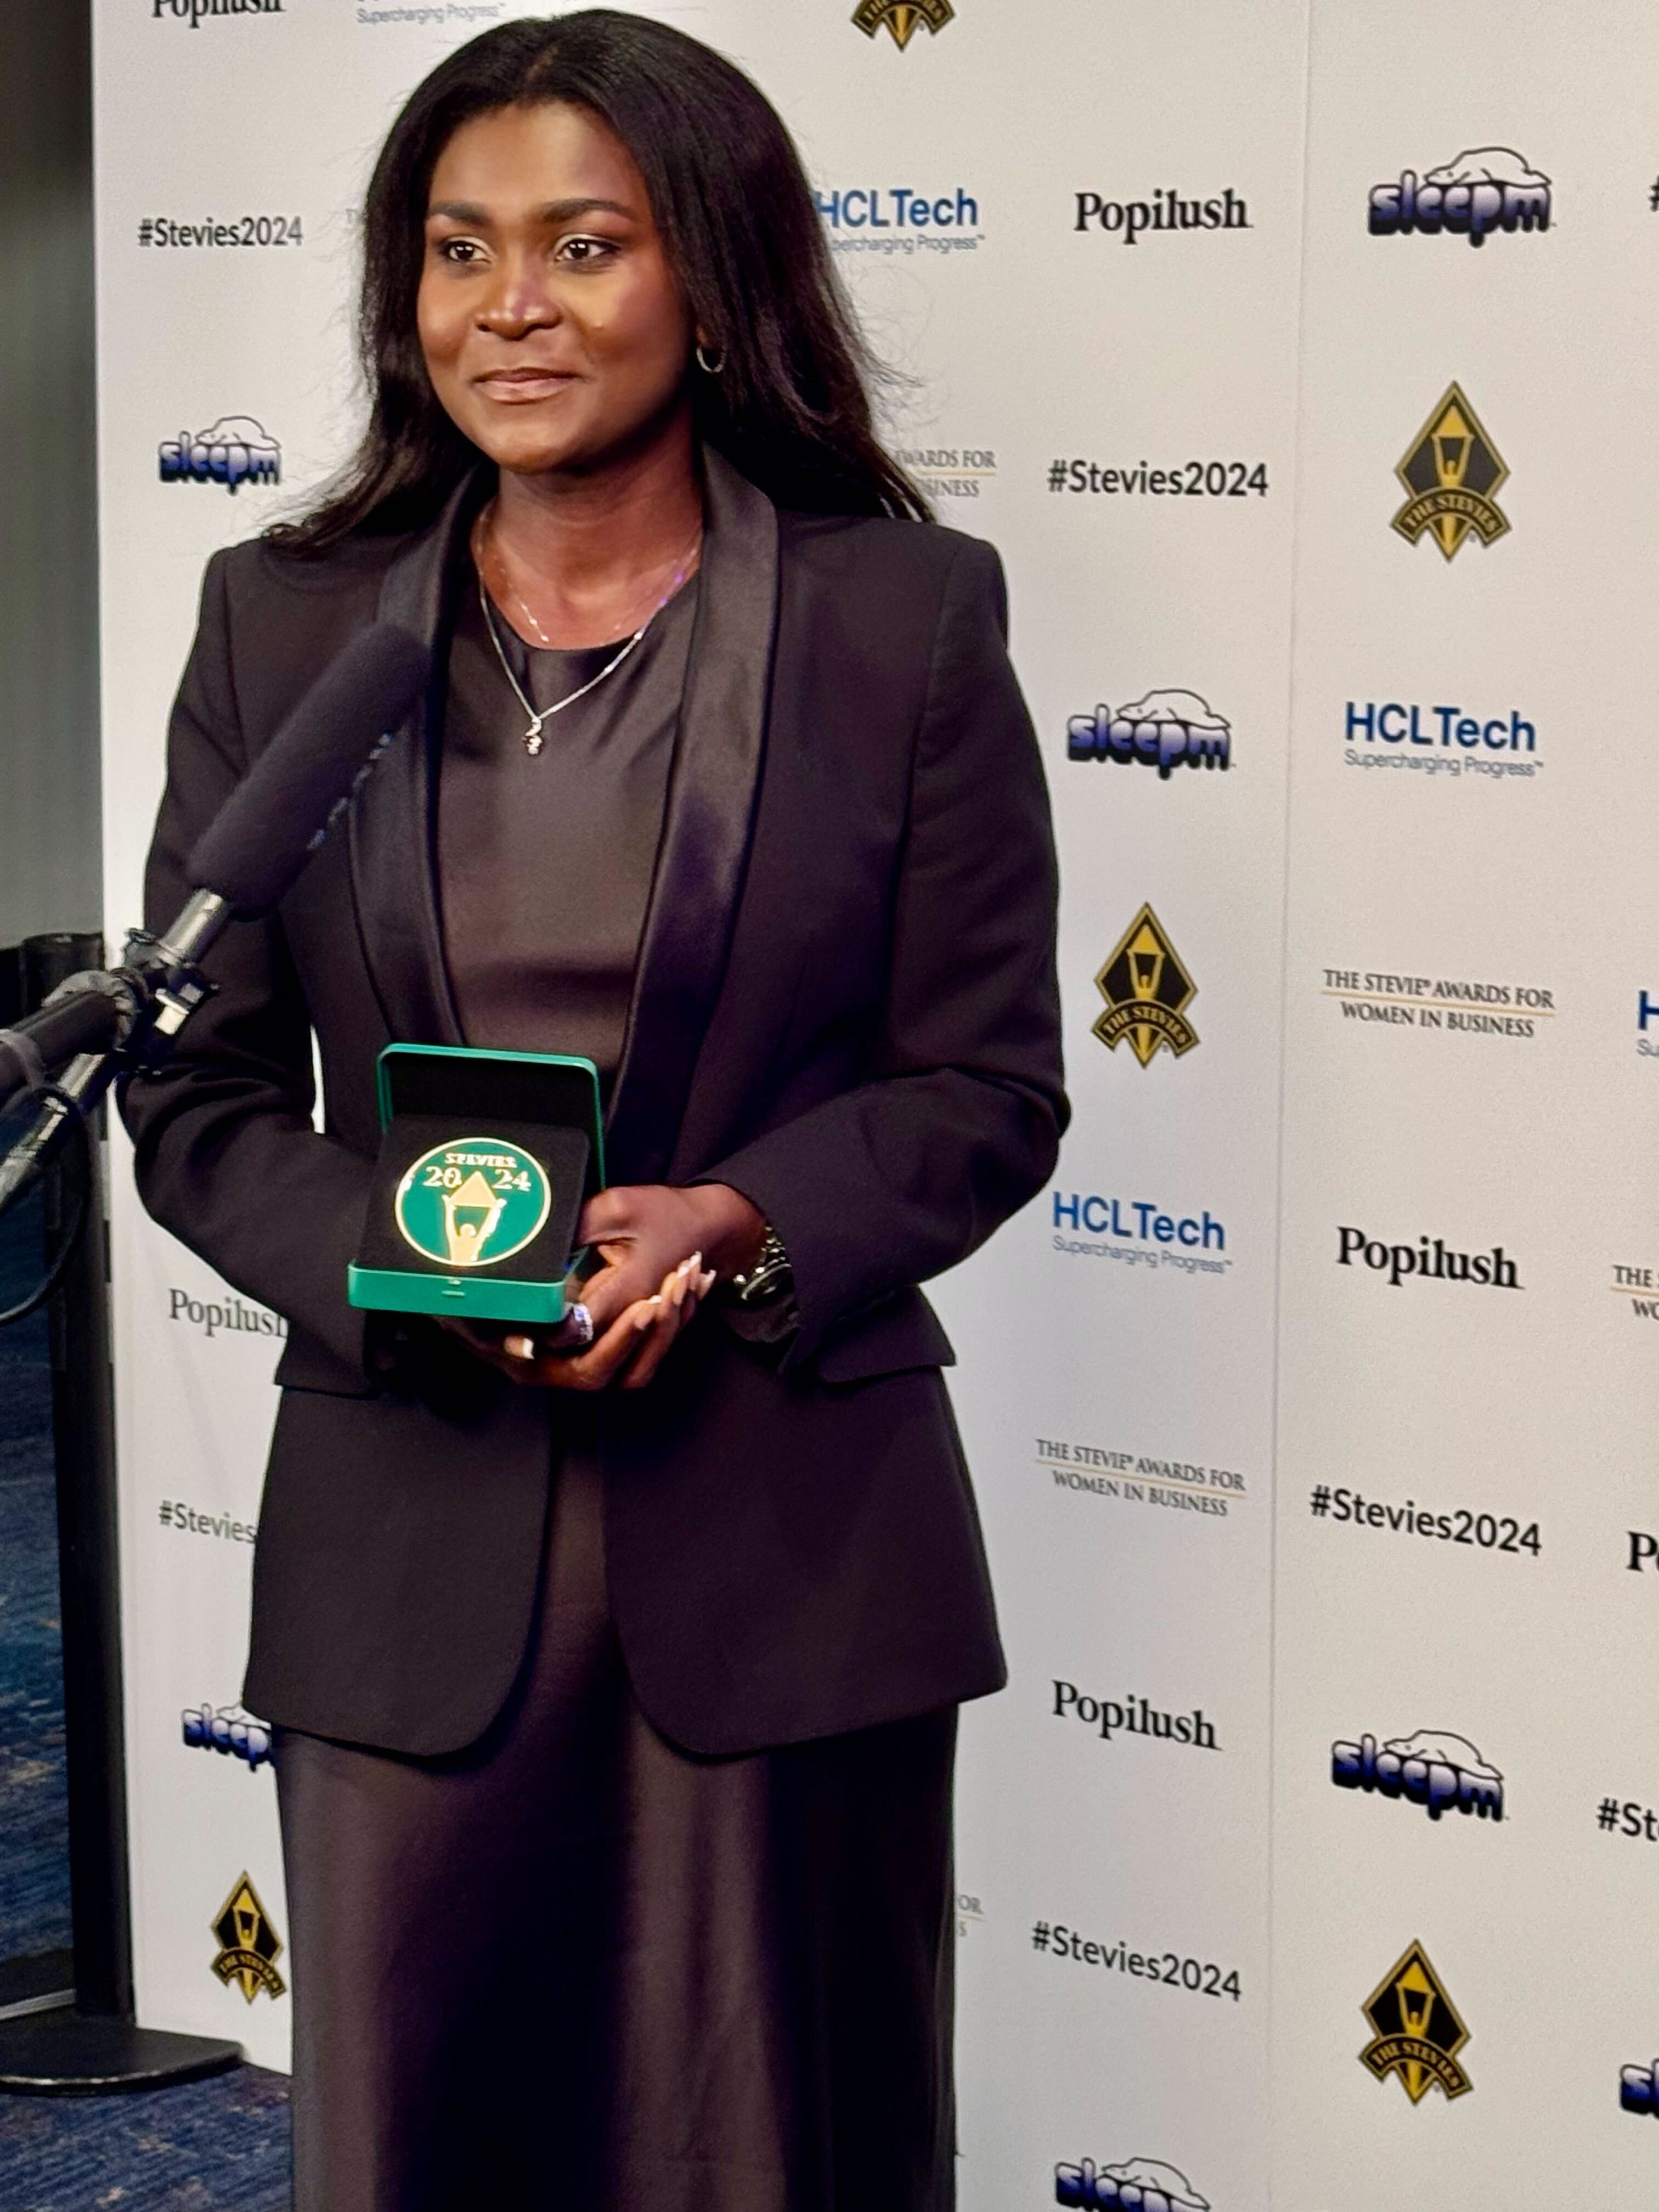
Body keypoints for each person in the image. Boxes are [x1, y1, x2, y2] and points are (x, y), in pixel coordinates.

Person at [123, 12, 1064, 2209]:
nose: (509, 307)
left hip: (786, 1554)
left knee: (776, 2150)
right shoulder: (282, 626)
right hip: (406, 1551)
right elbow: (195, 1083)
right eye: (459, 250)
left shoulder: (899, 622)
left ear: (712, 276)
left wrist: (735, 1217)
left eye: (582, 244)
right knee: (425, 2140)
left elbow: (986, 1083)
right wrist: (400, 1264)